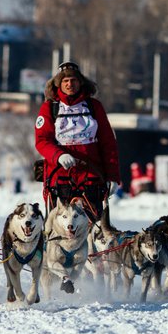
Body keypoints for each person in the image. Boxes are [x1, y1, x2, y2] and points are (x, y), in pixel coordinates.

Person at [34, 61, 120, 220]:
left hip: (92, 178)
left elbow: (108, 144)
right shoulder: (49, 108)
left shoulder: (94, 107)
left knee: (95, 231)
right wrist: (58, 155)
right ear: (58, 84)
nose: (69, 84)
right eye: (65, 81)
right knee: (58, 232)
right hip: (59, 180)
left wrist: (113, 176)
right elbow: (42, 141)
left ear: (81, 82)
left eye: (73, 80)